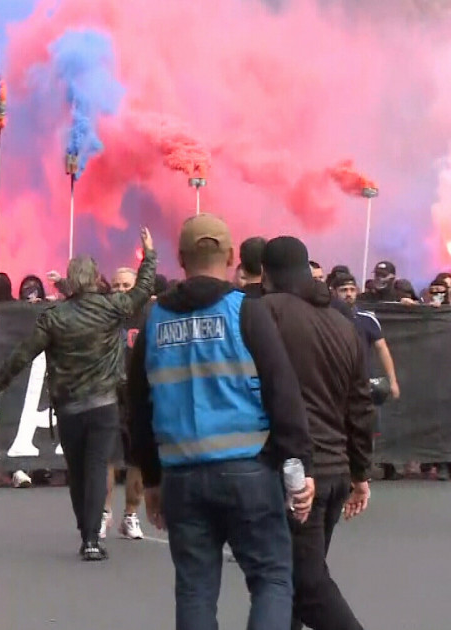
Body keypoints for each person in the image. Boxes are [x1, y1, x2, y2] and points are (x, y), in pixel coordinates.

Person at [126, 215, 313, 629]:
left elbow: (138, 407)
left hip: (181, 477)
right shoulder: (245, 311)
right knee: (271, 578)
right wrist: (299, 466)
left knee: (195, 588)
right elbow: (283, 394)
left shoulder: (153, 321)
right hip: (248, 473)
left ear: (179, 259)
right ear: (231, 257)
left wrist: (152, 480)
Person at [0, 227, 157, 561]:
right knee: (95, 467)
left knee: (78, 471)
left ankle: (87, 530)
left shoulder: (55, 318)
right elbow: (143, 290)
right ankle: (91, 538)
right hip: (104, 404)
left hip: (69, 408)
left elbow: (23, 354)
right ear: (95, 278)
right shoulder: (111, 308)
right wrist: (149, 256)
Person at [260, 236, 372, 630]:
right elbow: (360, 406)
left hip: (296, 471)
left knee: (304, 584)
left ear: (263, 274)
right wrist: (359, 472)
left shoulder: (266, 313)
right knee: (289, 585)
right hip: (335, 470)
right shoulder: (344, 324)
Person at [100, 266, 147, 540]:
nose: (119, 290)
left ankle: (130, 516)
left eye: (126, 286)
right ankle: (104, 512)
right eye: (116, 285)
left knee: (137, 461)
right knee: (107, 457)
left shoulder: (149, 316)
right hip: (108, 394)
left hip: (139, 395)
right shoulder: (103, 317)